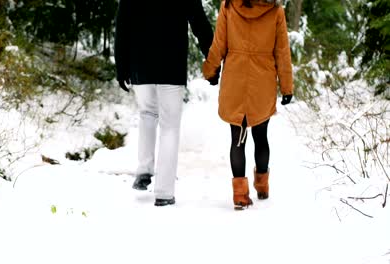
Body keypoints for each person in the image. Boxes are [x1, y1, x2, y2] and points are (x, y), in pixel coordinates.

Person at [114, 0, 214, 206]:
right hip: (171, 64)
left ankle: (144, 170)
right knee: (169, 127)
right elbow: (200, 24)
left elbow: (123, 25)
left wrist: (121, 66)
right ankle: (164, 192)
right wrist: (212, 61)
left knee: (147, 115)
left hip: (140, 64)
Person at [203, 0, 293, 210]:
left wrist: (210, 70)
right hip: (263, 79)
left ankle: (240, 195)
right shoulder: (275, 9)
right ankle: (262, 186)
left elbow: (219, 43)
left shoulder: (229, 5)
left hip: (235, 76)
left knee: (237, 138)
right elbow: (282, 50)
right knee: (261, 135)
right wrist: (287, 87)